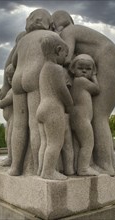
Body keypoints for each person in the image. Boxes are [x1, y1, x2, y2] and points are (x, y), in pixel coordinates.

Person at [52, 10, 115, 176]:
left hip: (109, 63)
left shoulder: (68, 31)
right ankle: (109, 165)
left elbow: (66, 58)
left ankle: (105, 165)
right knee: (100, 116)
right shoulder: (79, 31)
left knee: (99, 116)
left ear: (56, 25)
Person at [8, 9, 54, 176]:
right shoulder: (50, 36)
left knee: (19, 125)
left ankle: (15, 167)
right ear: (49, 23)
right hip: (34, 77)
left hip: (18, 80)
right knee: (35, 125)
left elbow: (13, 62)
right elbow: (62, 56)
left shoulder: (23, 40)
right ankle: (35, 167)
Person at [36, 34, 73, 180]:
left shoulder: (44, 69)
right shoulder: (56, 68)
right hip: (53, 109)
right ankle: (48, 172)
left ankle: (41, 170)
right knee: (55, 143)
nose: (66, 59)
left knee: (45, 143)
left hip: (42, 108)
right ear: (58, 50)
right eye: (65, 54)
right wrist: (70, 104)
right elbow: (62, 91)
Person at [69, 54, 99, 176]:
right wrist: (94, 76)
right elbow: (97, 89)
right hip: (82, 118)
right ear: (73, 69)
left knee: (79, 143)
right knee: (88, 143)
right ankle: (83, 168)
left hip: (77, 117)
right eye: (80, 68)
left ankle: (77, 166)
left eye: (88, 69)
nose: (84, 71)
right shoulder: (81, 81)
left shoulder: (74, 81)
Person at [0, 64, 15, 166]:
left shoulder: (14, 91)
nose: (9, 80)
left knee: (10, 138)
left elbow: (7, 101)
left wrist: (0, 103)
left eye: (11, 77)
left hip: (14, 119)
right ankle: (10, 156)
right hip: (8, 120)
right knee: (7, 138)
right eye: (8, 77)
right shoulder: (10, 90)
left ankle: (11, 158)